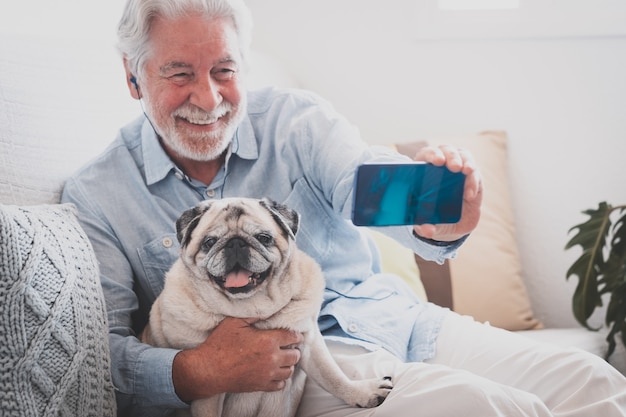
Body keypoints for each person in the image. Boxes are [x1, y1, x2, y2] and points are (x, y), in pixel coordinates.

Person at [61, 0, 626, 416]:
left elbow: (360, 182)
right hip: (303, 370)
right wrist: (196, 370)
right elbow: (100, 355)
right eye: (179, 73)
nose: (208, 99)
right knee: (493, 408)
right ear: (134, 79)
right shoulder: (100, 195)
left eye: (224, 71)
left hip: (401, 322)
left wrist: (438, 217)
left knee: (595, 384)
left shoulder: (296, 122)